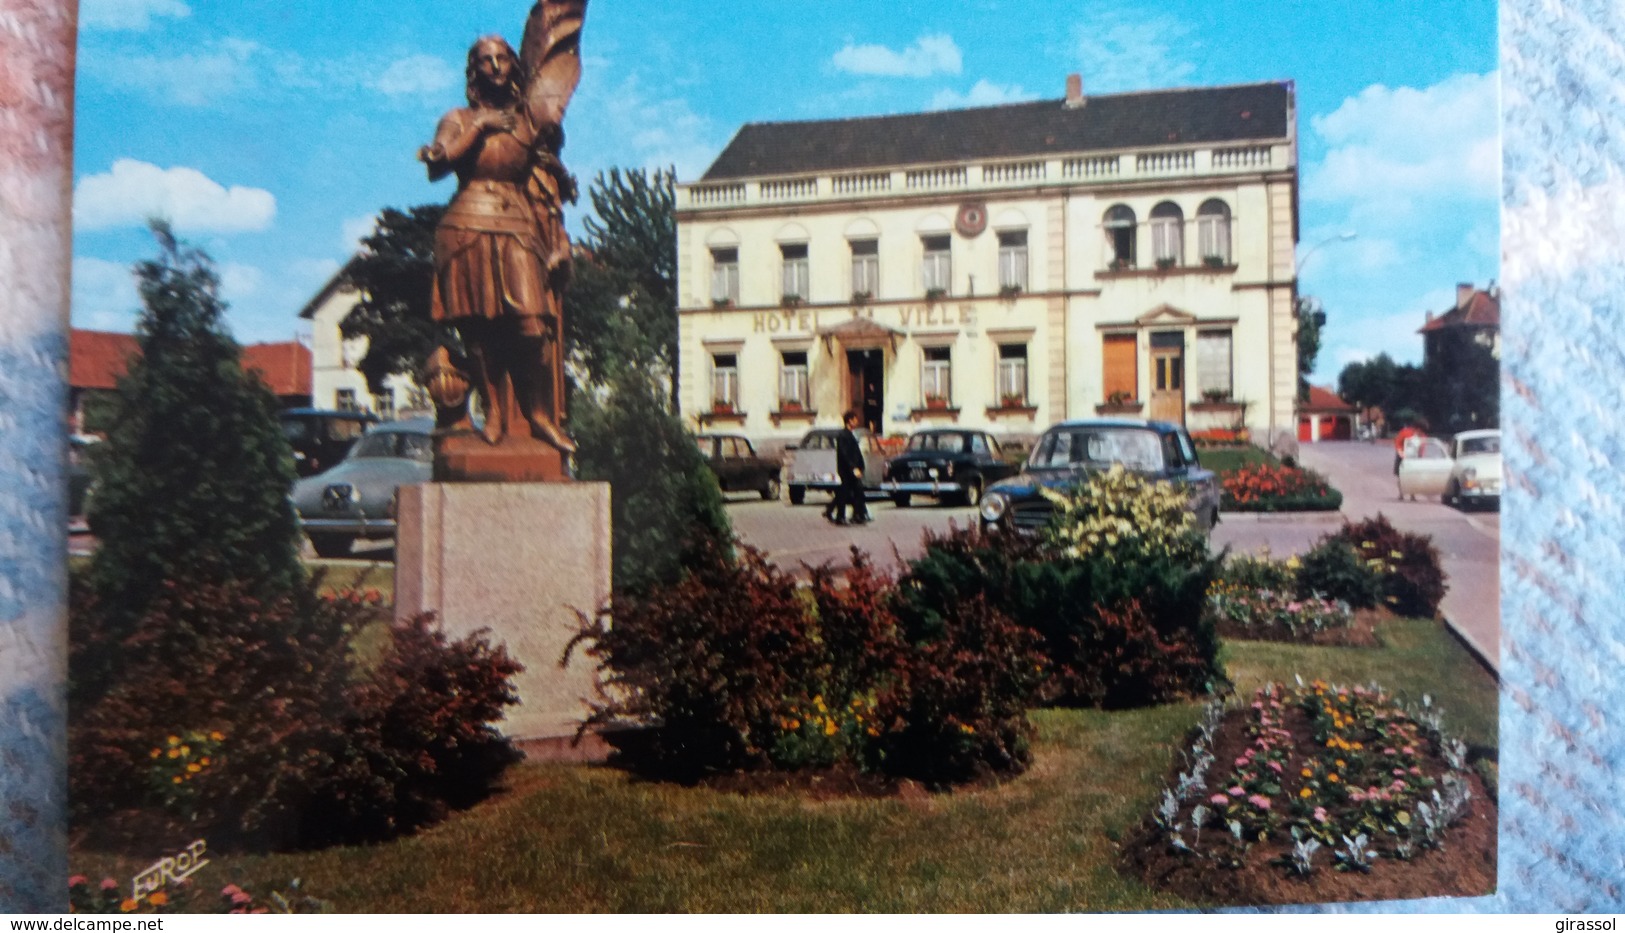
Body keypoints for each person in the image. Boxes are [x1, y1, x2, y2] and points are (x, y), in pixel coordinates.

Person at [419, 6, 584, 456]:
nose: (494, 66)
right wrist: (480, 128)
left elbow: (546, 183)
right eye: (485, 60)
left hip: (517, 226)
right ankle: (493, 412)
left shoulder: (527, 121)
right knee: (480, 334)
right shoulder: (458, 117)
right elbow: (439, 163)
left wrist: (562, 241)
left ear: (514, 65)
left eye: (501, 58)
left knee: (532, 328)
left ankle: (540, 417)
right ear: (474, 71)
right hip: (466, 227)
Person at [827, 410, 870, 525]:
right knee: (844, 493)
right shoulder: (843, 435)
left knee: (856, 492)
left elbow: (856, 453)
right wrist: (853, 468)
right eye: (855, 419)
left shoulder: (850, 434)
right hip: (847, 470)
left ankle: (858, 515)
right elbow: (845, 454)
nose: (857, 421)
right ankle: (840, 517)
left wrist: (860, 466)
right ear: (850, 421)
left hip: (852, 469)